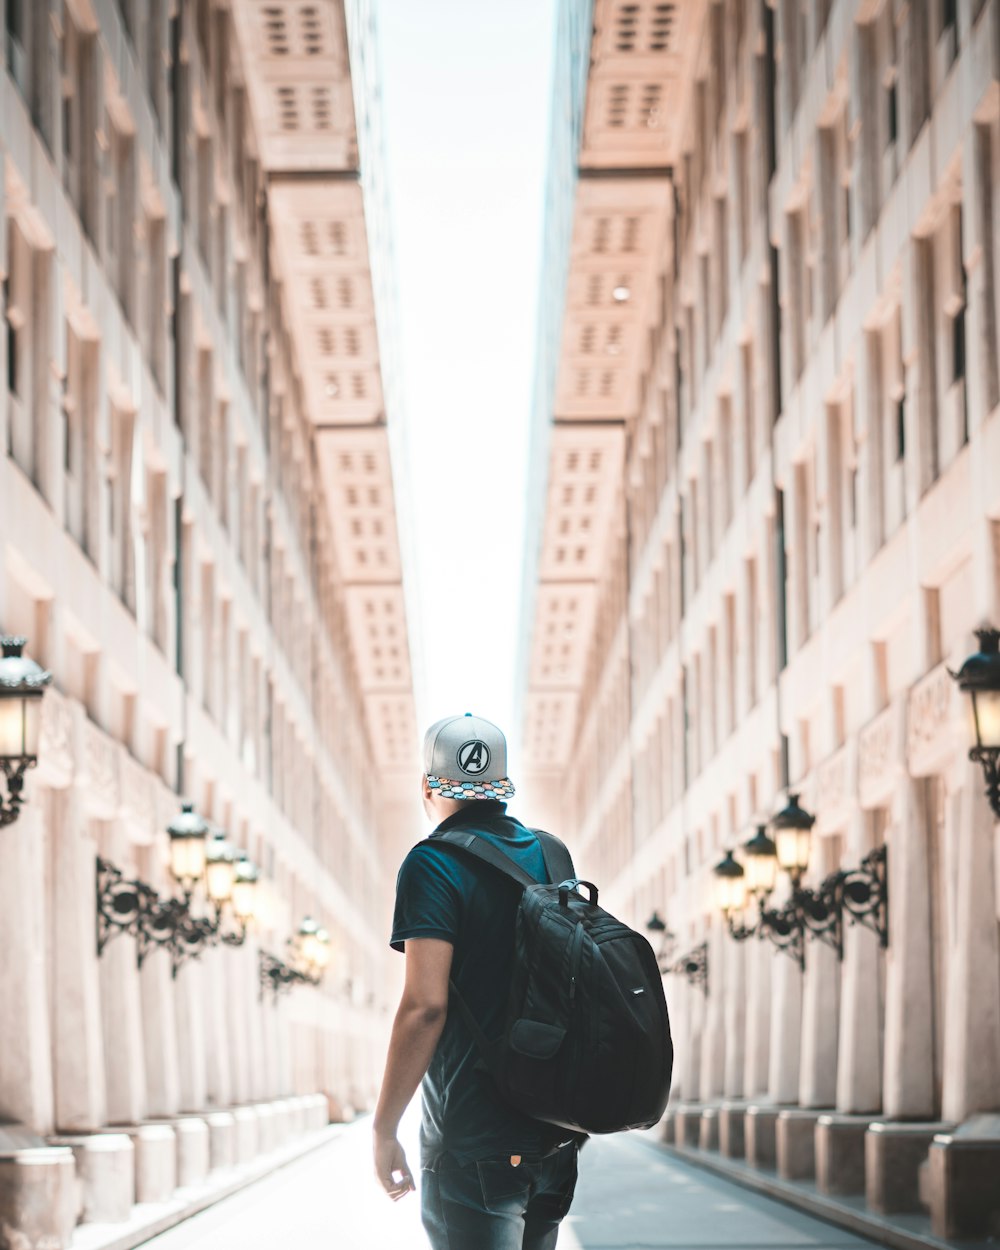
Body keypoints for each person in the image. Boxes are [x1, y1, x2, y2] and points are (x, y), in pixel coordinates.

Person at [373, 713, 581, 1250]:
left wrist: (384, 1128)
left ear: (427, 787)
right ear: (503, 788)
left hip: (474, 1141)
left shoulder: (432, 864)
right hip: (554, 1138)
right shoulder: (552, 856)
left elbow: (425, 1006)